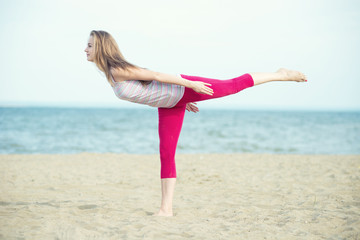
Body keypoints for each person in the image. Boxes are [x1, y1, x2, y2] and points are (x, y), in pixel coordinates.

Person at [84, 30, 307, 217]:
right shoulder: (112, 74)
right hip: (172, 102)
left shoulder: (118, 70)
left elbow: (157, 75)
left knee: (232, 85)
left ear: (101, 47)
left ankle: (281, 74)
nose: (86, 49)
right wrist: (182, 100)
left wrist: (190, 87)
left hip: (183, 88)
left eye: (90, 45)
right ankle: (166, 209)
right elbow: (146, 93)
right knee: (166, 154)